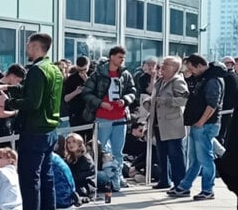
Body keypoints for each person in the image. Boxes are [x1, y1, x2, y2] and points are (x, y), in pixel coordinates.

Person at [0, 33, 63, 210]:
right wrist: (9, 88)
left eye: (28, 44)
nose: (26, 47)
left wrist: (8, 102)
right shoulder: (54, 68)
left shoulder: (36, 70)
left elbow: (33, 102)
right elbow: (38, 94)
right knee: (46, 179)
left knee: (29, 181)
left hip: (34, 131)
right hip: (49, 130)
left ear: (35, 46)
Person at [169, 54, 227, 200]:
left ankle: (207, 189)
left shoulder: (212, 80)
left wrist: (201, 121)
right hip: (200, 123)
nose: (191, 72)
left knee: (205, 158)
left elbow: (212, 104)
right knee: (196, 158)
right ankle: (184, 186)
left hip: (205, 124)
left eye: (192, 69)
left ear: (200, 65)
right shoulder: (204, 77)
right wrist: (188, 77)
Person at [82, 46, 137, 181]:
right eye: (120, 57)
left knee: (118, 151)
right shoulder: (98, 74)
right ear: (112, 57)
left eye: (123, 58)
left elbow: (133, 91)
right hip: (103, 117)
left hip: (120, 117)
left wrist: (125, 100)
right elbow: (86, 93)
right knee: (99, 150)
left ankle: (116, 178)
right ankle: (98, 177)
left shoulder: (125, 74)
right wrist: (100, 103)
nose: (122, 60)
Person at [145, 56, 189, 190]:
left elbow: (184, 100)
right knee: (162, 154)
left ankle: (180, 184)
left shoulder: (178, 82)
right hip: (159, 124)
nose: (161, 68)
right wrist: (148, 102)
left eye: (166, 65)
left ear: (174, 68)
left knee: (176, 155)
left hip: (172, 125)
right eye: (162, 65)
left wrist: (167, 101)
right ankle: (164, 180)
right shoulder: (159, 82)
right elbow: (155, 99)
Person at [62, 133, 96, 202]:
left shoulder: (85, 158)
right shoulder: (70, 158)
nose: (71, 144)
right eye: (68, 142)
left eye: (74, 142)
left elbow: (78, 177)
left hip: (85, 186)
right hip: (76, 184)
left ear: (79, 143)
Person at [62, 56, 90, 136]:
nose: (82, 72)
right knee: (77, 137)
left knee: (91, 140)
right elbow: (66, 98)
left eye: (84, 69)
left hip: (90, 113)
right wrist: (76, 92)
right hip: (76, 113)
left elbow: (98, 95)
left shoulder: (93, 76)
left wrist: (87, 81)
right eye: (79, 70)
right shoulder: (72, 78)